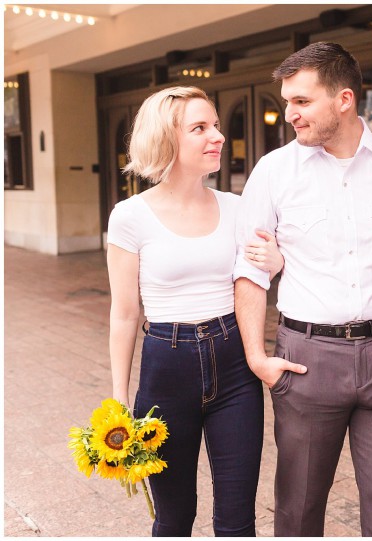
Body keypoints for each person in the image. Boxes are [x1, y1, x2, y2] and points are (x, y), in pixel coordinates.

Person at [233, 42, 372, 537]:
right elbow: (250, 270)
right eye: (287, 102)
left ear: (344, 100)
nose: (290, 115)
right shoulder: (274, 172)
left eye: (302, 102)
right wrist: (257, 357)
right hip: (307, 359)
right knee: (299, 511)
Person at [106, 86, 283, 537]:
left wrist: (278, 263)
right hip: (167, 368)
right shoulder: (130, 217)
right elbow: (125, 314)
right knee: (173, 517)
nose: (218, 136)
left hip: (235, 368)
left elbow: (262, 277)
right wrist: (118, 399)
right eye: (200, 128)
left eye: (217, 125)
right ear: (167, 140)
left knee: (238, 521)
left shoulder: (239, 208)